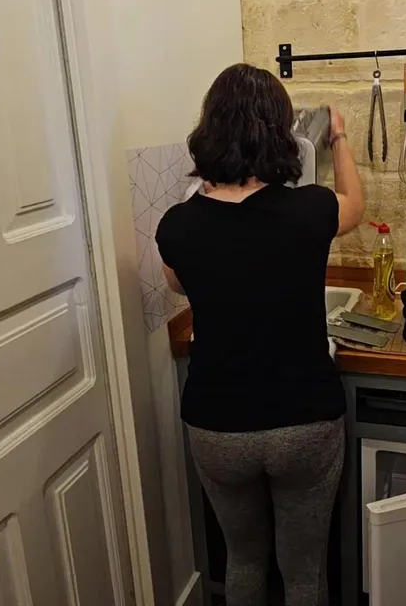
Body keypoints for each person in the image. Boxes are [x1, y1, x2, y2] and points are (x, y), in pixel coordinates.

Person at [156, 63, 365, 606]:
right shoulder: (310, 209)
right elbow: (355, 205)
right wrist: (339, 137)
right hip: (304, 422)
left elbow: (177, 284)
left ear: (210, 130)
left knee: (243, 560)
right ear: (281, 132)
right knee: (303, 571)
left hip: (218, 425)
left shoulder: (177, 224)